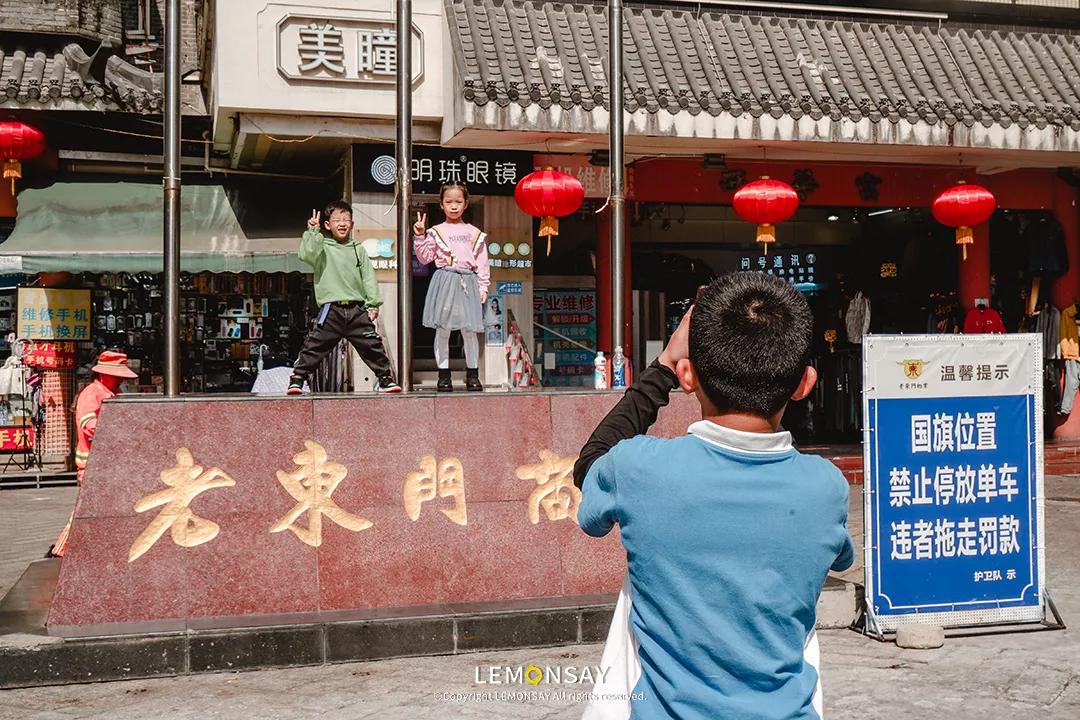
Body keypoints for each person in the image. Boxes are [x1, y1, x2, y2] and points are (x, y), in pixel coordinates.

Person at [574, 272, 855, 720]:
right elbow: (839, 560)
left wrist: (663, 367)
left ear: (688, 376)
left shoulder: (638, 469)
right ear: (805, 383)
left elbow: (590, 464)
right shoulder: (826, 488)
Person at [288, 200, 400, 394]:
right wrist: (312, 232)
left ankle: (385, 379)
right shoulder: (322, 246)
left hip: (357, 310)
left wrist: (373, 304)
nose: (342, 223)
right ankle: (297, 379)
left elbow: (368, 277)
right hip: (331, 310)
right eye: (337, 220)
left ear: (352, 224)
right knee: (315, 345)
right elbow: (307, 255)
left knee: (372, 344)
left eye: (346, 219)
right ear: (327, 225)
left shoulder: (358, 249)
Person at [49, 350, 139, 558]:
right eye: (117, 374)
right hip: (92, 464)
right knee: (86, 510)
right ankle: (61, 550)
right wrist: (119, 430)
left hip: (106, 464)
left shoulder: (109, 393)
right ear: (104, 373)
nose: (120, 379)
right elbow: (89, 425)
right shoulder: (93, 393)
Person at [413, 182, 490, 392]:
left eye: (458, 201)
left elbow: (482, 261)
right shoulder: (435, 231)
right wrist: (420, 235)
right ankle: (443, 375)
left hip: (468, 281)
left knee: (469, 330)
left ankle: (472, 375)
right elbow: (425, 257)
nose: (453, 206)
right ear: (441, 204)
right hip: (445, 280)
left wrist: (483, 286)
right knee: (443, 329)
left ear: (466, 204)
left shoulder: (474, 233)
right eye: (449, 202)